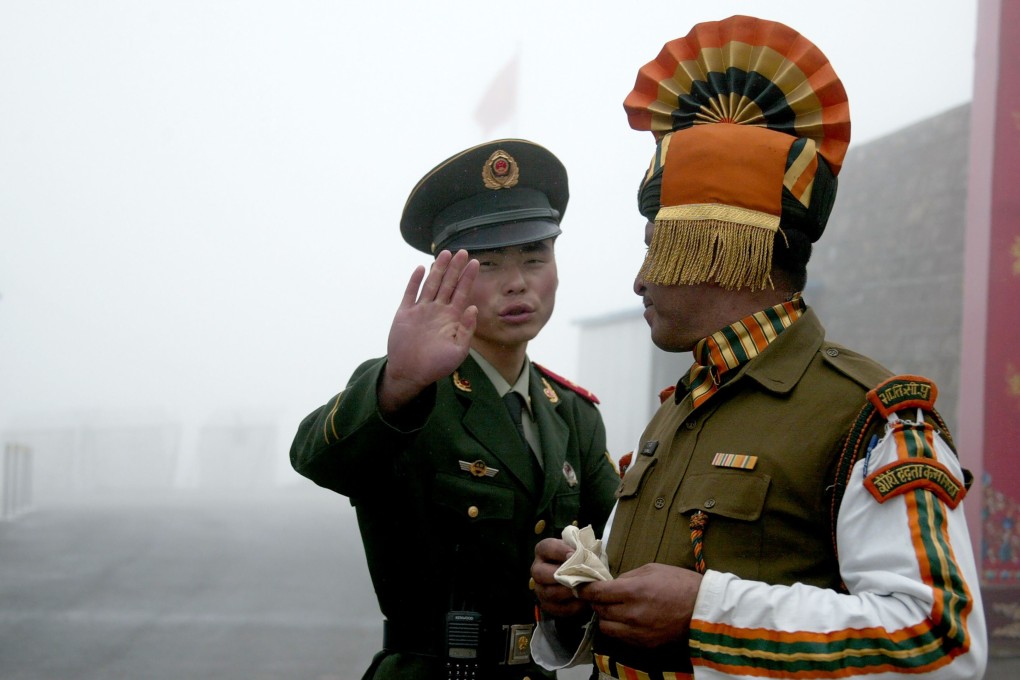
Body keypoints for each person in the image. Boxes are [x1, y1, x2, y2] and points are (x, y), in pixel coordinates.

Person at [530, 15, 987, 680]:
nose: (639, 278)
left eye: (656, 243)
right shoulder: (677, 412)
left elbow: (942, 643)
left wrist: (708, 613)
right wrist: (575, 609)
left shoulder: (871, 418)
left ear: (715, 242)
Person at [290, 139, 621, 680]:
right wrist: (397, 381)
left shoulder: (573, 415)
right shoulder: (410, 392)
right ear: (448, 279)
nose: (518, 282)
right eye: (489, 264)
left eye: (535, 258)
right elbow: (316, 457)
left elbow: (617, 541)